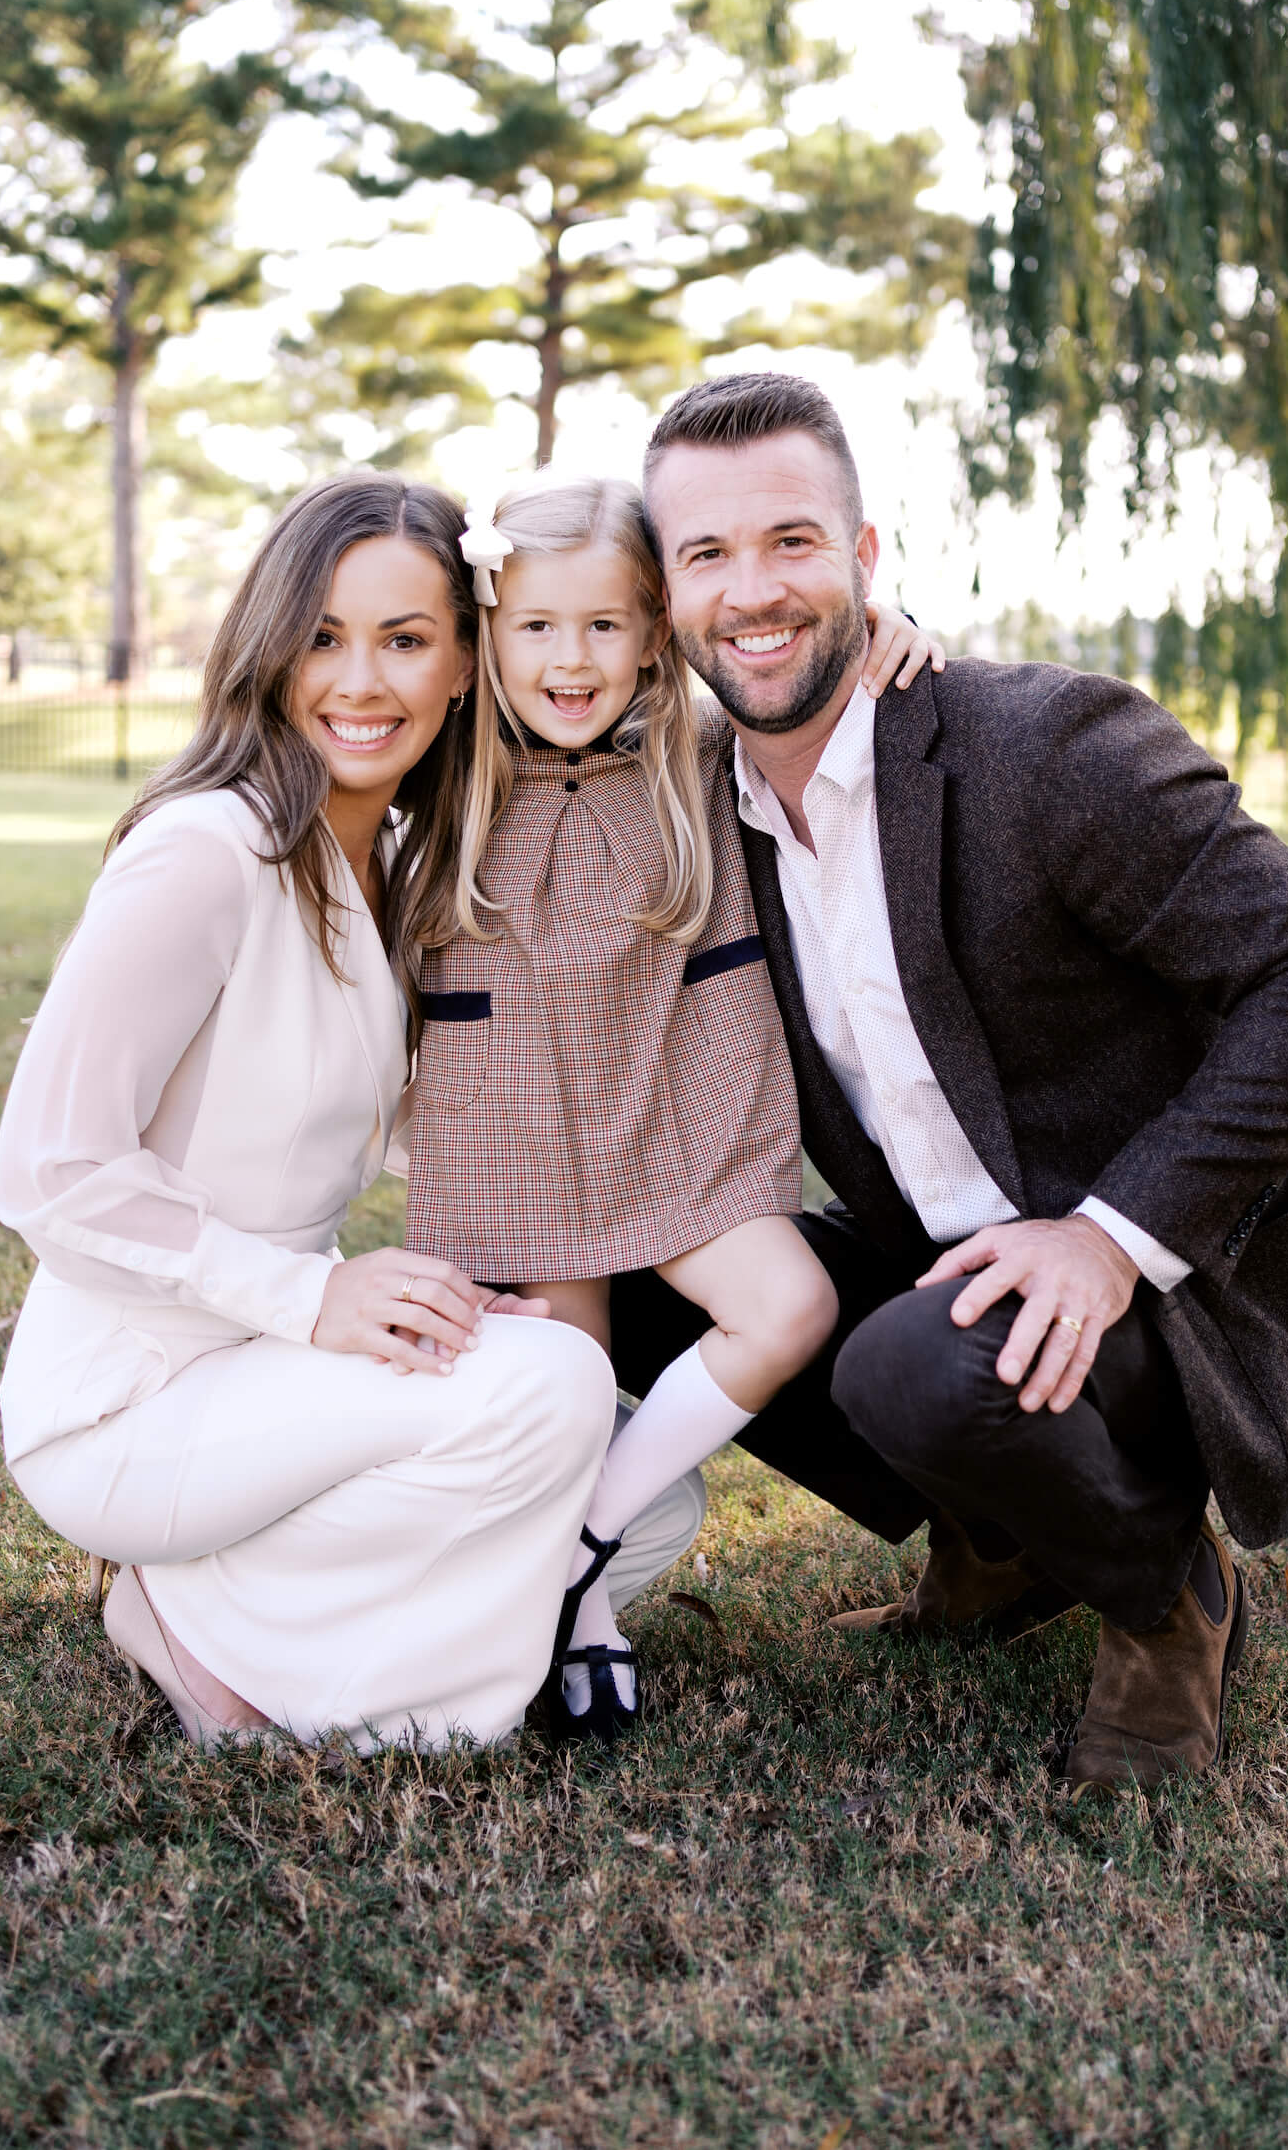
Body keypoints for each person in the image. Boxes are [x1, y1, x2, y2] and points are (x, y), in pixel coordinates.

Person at [611, 370, 1288, 1792]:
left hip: (1163, 1300)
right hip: (941, 1268)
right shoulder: (686, 801)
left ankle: (1165, 1593)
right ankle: (998, 1545)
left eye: (791, 541)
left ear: (863, 559)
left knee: (913, 1360)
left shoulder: (1040, 748)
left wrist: (1105, 1242)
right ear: (665, 596)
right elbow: (504, 719)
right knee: (625, 1271)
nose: (751, 591)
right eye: (706, 556)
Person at [0, 474, 704, 1755]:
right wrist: (311, 1298)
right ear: (270, 651)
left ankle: (248, 1616)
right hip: (132, 1400)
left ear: (463, 668)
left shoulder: (389, 865)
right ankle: (214, 1630)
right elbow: (48, 1170)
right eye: (323, 636)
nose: (360, 680)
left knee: (642, 1490)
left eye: (406, 639)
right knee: (551, 1394)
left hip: (269, 1371)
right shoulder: (209, 850)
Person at [404, 475, 940, 1739]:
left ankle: (590, 1537)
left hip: (681, 1123)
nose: (571, 657)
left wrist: (889, 628)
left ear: (654, 629)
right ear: (488, 633)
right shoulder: (451, 774)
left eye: (603, 623)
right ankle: (583, 1614)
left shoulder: (704, 752)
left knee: (789, 1303)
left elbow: (813, 680)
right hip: (519, 1142)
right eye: (535, 625)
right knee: (560, 1392)